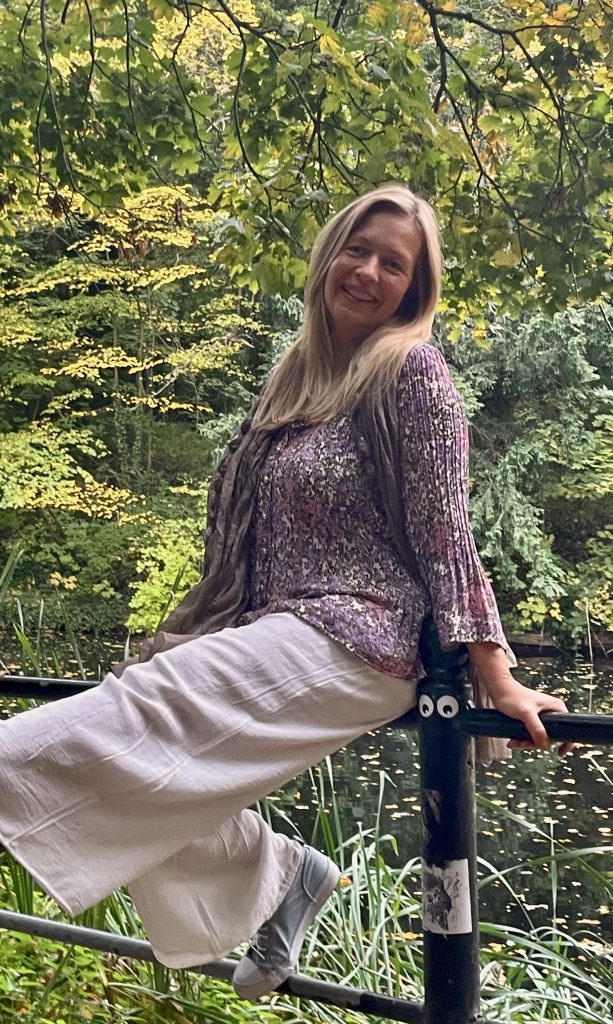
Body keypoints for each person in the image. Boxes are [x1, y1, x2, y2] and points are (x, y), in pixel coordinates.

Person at [0, 184, 571, 1001]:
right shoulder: (296, 379)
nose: (367, 272)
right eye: (357, 250)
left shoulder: (412, 371)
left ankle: (271, 875)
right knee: (148, 756)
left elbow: (446, 532)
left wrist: (497, 675)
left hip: (362, 639)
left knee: (134, 712)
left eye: (392, 264)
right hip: (280, 625)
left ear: (412, 290)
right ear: (328, 256)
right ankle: (282, 872)